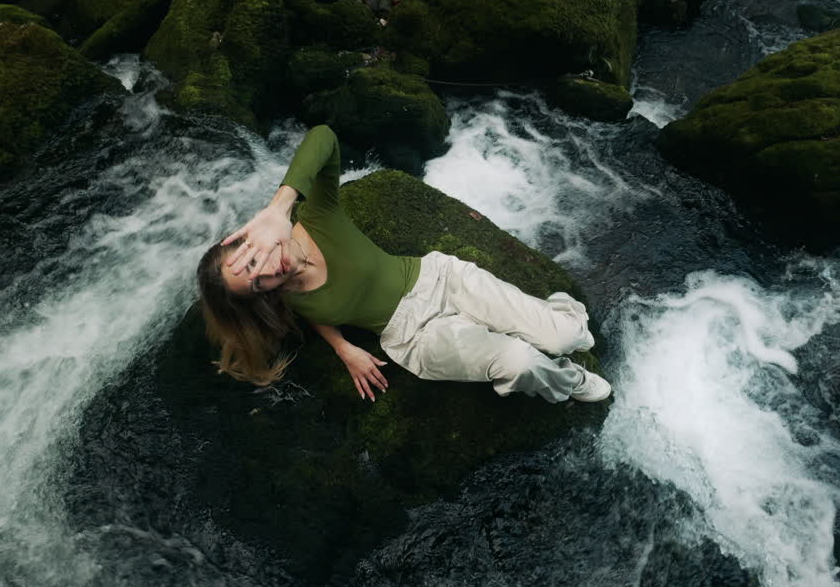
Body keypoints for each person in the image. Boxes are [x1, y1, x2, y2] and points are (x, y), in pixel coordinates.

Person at [196, 125, 612, 404]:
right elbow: (312, 315)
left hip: (442, 280)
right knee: (521, 363)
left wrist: (279, 208)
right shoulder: (281, 296)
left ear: (252, 239)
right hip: (415, 337)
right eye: (256, 285)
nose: (267, 273)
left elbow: (323, 136)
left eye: (253, 260)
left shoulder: (316, 217)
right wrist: (343, 349)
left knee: (566, 337)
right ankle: (570, 382)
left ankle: (563, 314)